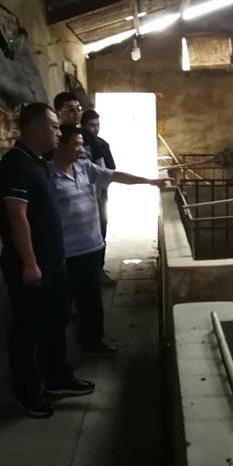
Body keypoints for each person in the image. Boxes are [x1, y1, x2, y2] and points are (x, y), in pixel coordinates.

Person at [0, 103, 95, 419]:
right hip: (31, 265)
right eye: (53, 126)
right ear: (36, 128)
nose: (58, 132)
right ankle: (27, 393)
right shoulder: (15, 164)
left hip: (52, 262)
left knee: (55, 321)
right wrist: (29, 262)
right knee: (28, 329)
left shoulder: (38, 163)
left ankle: (56, 377)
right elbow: (17, 215)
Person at [50, 124, 170, 356]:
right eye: (75, 144)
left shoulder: (85, 168)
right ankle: (56, 354)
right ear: (59, 145)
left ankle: (92, 343)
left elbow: (115, 176)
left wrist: (150, 181)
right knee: (61, 305)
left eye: (81, 144)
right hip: (64, 253)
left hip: (91, 247)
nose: (81, 149)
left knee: (91, 302)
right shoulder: (48, 175)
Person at [81, 109, 116, 283]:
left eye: (97, 125)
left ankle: (99, 270)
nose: (95, 129)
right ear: (82, 126)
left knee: (101, 231)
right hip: (81, 197)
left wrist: (101, 190)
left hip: (100, 197)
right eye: (91, 125)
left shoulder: (102, 145)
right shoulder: (76, 145)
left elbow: (110, 171)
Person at [53, 92, 103, 165]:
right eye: (71, 109)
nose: (76, 112)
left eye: (79, 108)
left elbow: (100, 165)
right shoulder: (54, 136)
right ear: (58, 113)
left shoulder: (88, 135)